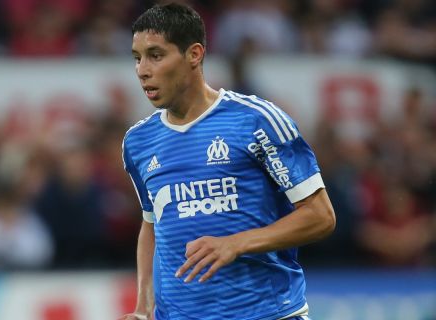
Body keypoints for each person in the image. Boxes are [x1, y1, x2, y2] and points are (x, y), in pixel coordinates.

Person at [120, 3, 336, 320]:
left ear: (194, 54)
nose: (142, 70)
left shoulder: (256, 120)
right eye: (137, 58)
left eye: (156, 55)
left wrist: (237, 243)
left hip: (269, 314)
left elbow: (321, 216)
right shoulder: (138, 142)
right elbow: (152, 225)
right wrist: (143, 306)